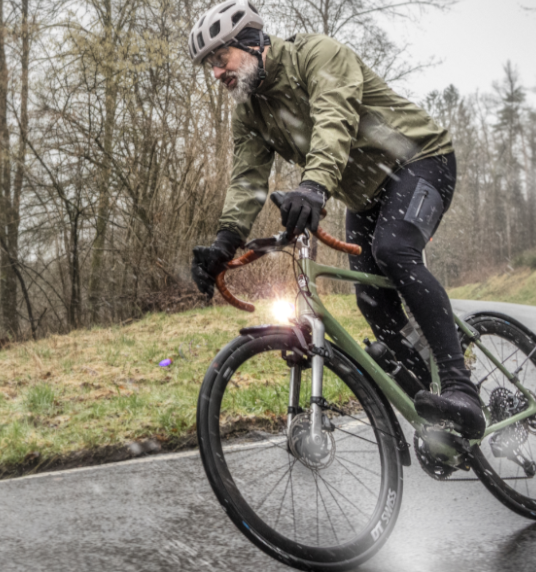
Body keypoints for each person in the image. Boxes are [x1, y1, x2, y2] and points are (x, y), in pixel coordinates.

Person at [187, 1, 484, 439]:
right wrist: (224, 242)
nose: (216, 73)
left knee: (394, 252)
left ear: (251, 42)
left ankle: (462, 390)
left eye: (220, 58)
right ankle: (437, 407)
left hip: (420, 159)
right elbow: (247, 179)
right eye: (209, 66)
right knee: (370, 299)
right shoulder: (249, 111)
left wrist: (313, 188)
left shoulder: (318, 55)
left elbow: (334, 121)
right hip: (365, 194)